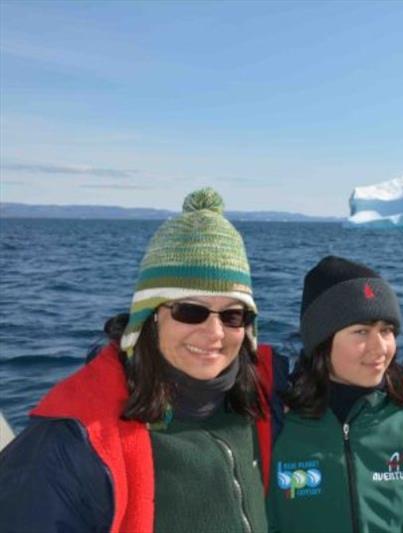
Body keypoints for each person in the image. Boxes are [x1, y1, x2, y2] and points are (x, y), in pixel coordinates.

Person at [0, 188, 282, 532]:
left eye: (233, 315)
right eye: (190, 311)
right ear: (149, 318)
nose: (215, 333)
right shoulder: (74, 442)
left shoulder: (261, 402)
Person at [268, 256, 403, 533]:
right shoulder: (277, 427)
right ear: (320, 341)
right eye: (361, 331)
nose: (380, 348)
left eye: (386, 331)